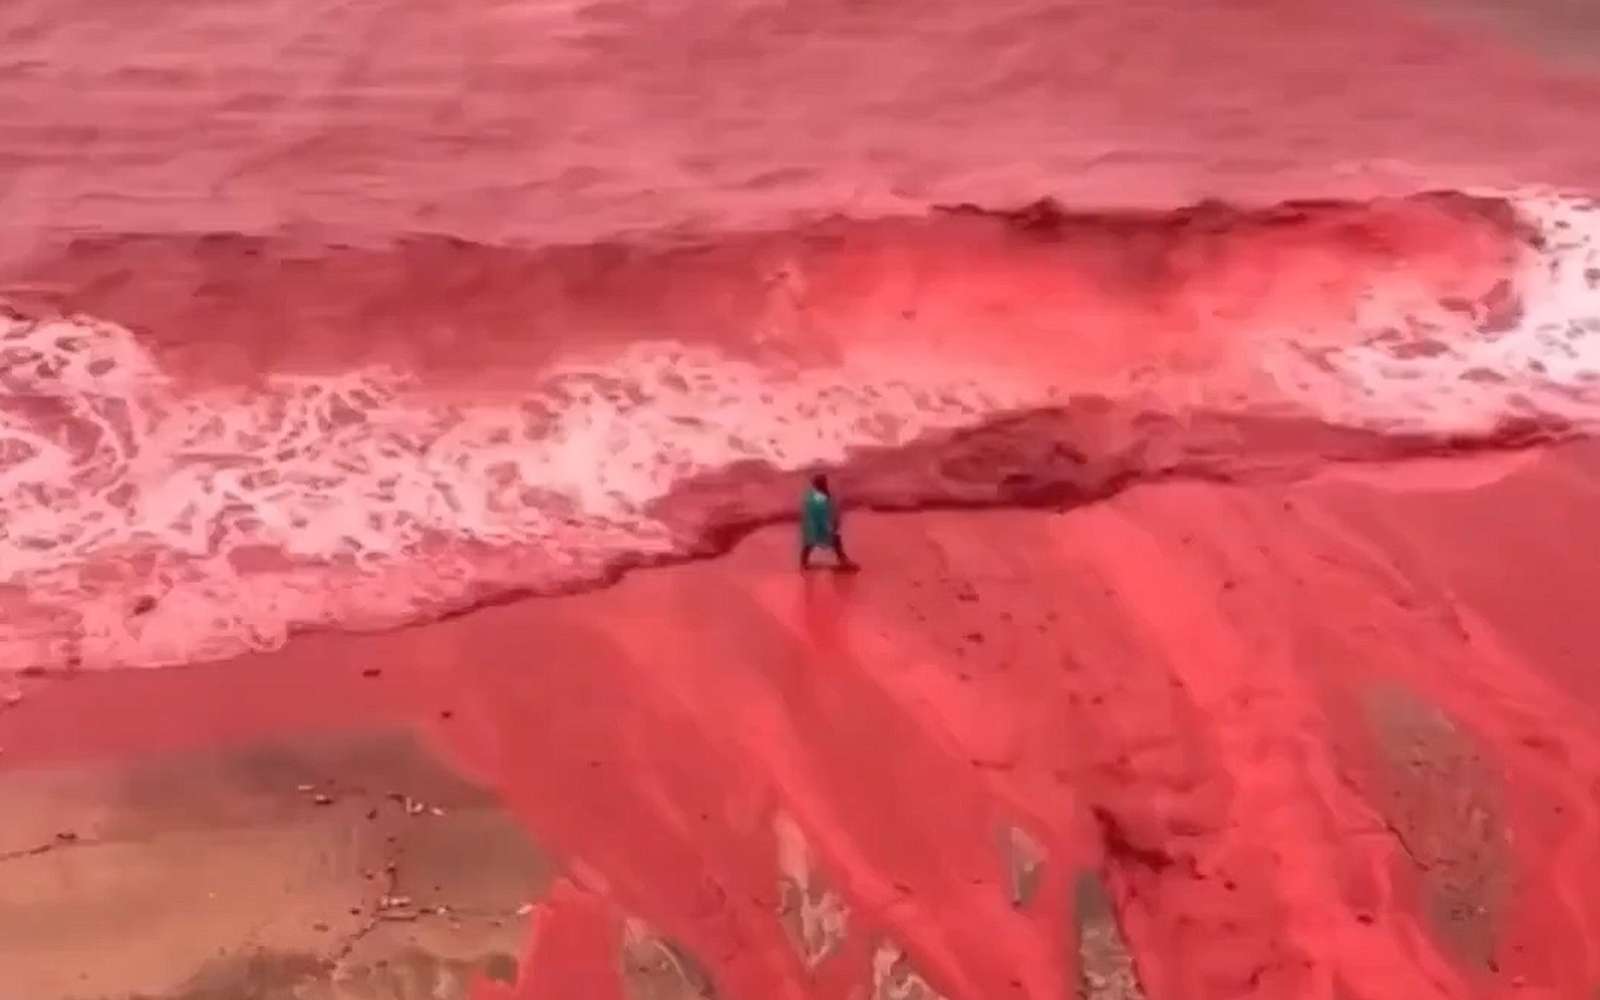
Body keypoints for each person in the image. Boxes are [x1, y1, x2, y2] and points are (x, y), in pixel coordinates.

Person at [799, 473, 854, 570]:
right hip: (816, 525)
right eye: (822, 482)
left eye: (824, 482)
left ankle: (804, 562)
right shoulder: (817, 496)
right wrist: (828, 525)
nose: (825, 484)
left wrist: (833, 522)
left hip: (817, 525)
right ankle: (843, 560)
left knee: (812, 542)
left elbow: (829, 509)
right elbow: (819, 512)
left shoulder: (818, 495)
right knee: (814, 542)